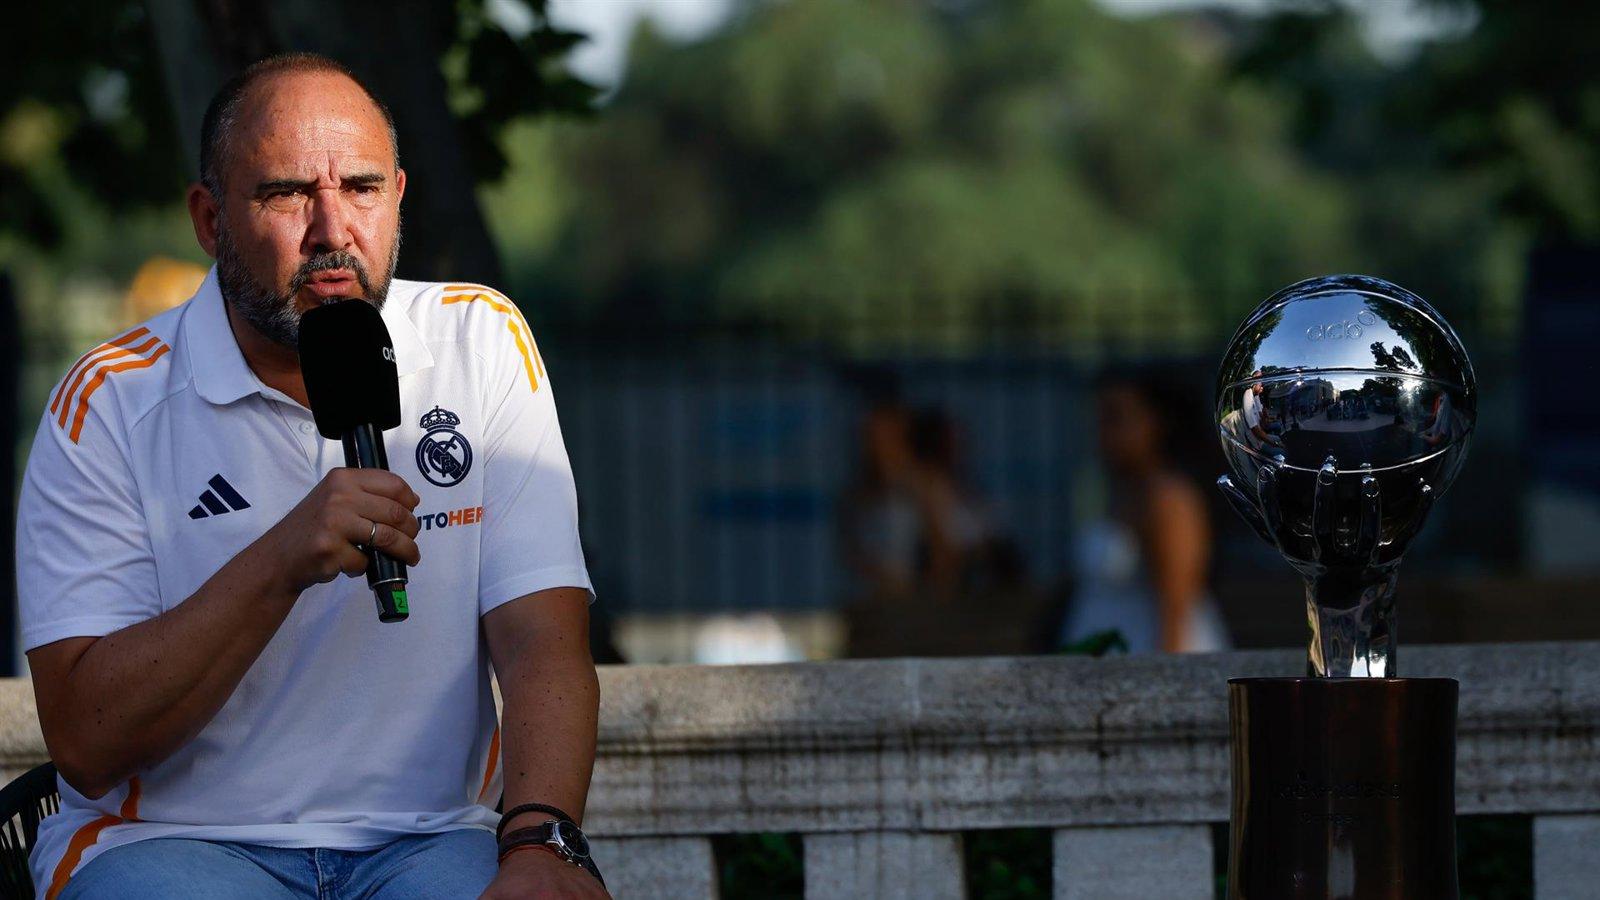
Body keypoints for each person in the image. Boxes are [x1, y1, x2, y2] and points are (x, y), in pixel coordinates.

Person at [16, 54, 607, 899]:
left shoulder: (480, 344)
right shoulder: (110, 402)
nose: (333, 229)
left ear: (399, 196)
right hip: (171, 846)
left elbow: (541, 641)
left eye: (361, 188)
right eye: (288, 194)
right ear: (210, 219)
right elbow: (83, 738)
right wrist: (282, 557)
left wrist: (544, 841)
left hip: (430, 840)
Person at [1061, 371, 1230, 655]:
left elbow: (1177, 604)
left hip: (1147, 653)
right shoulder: (1117, 492)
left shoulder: (1169, 499)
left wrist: (1164, 676)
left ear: (1157, 423)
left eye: (1116, 418)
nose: (1103, 434)